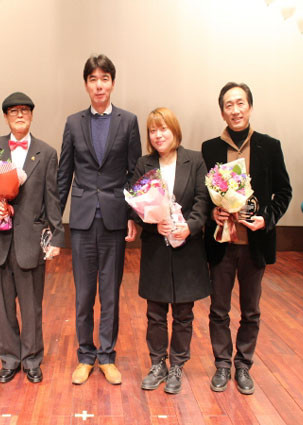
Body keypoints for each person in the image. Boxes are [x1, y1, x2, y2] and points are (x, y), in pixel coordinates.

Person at [202, 82, 292, 395]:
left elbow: (284, 191)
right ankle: (221, 364)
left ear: (250, 107)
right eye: (229, 105)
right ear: (222, 112)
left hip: (254, 244)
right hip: (222, 243)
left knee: (251, 311)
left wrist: (268, 218)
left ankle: (243, 365)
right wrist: (213, 212)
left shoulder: (269, 146)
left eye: (240, 103)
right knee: (219, 309)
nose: (235, 110)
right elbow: (204, 194)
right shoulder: (210, 148)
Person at [57, 54, 142, 385]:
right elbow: (64, 174)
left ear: (112, 83)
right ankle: (85, 355)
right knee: (83, 294)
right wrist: (54, 222)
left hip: (114, 218)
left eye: (104, 78)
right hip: (81, 219)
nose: (99, 85)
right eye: (93, 79)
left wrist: (133, 215)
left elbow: (135, 173)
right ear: (86, 85)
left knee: (110, 293)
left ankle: (106, 356)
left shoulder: (128, 121)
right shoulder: (73, 122)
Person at [0, 92, 64, 384]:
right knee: (3, 307)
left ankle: (32, 359)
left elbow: (52, 198)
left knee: (31, 306)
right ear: (6, 117)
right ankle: (9, 359)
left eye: (25, 110)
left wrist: (56, 237)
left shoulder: (47, 153)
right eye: (14, 111)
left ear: (32, 115)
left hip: (31, 241)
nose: (20, 115)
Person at [132, 107, 211, 394]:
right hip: (156, 248)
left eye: (163, 128)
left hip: (187, 247)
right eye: (153, 130)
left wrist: (191, 226)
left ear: (174, 130)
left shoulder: (195, 160)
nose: (158, 135)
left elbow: (203, 200)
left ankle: (177, 365)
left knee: (183, 313)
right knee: (155, 312)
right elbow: (136, 204)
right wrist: (154, 223)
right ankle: (157, 364)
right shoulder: (144, 164)